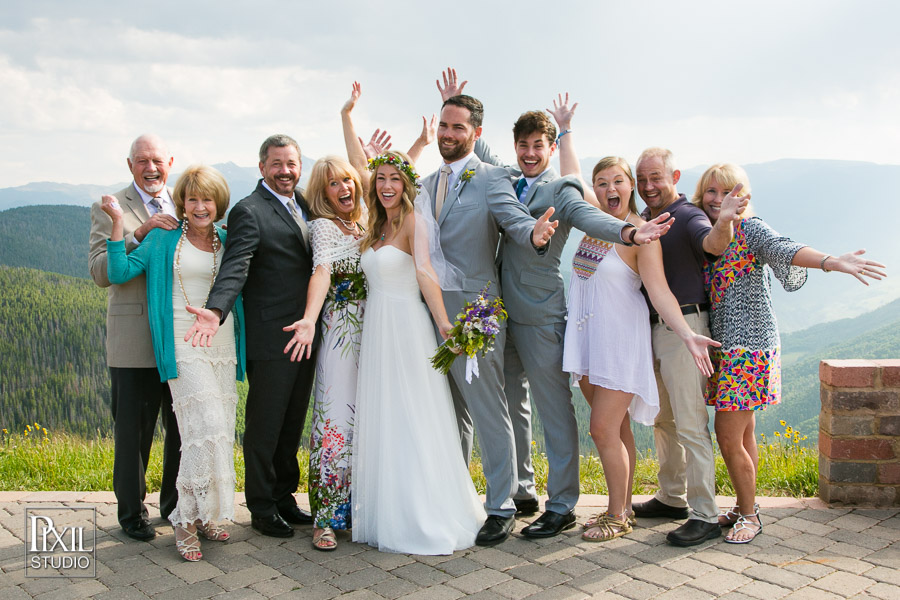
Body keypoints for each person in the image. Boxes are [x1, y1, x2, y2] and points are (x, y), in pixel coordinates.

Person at [434, 70, 675, 539]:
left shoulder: (560, 190)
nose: (528, 154)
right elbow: (476, 151)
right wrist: (453, 105)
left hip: (543, 313)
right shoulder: (505, 177)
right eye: (522, 145)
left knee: (553, 409)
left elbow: (590, 216)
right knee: (510, 403)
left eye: (537, 146)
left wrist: (629, 231)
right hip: (498, 313)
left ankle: (562, 502)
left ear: (549, 148)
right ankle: (515, 492)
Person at [692, 164, 886, 543]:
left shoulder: (751, 228)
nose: (718, 200)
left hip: (749, 348)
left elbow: (787, 249)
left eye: (728, 193)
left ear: (742, 197)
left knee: (728, 435)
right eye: (711, 192)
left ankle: (749, 515)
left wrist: (831, 262)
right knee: (744, 434)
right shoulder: (707, 236)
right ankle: (743, 505)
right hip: (725, 347)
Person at [419, 93, 559, 546]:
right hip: (428, 311)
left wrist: (533, 233)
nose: (448, 134)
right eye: (444, 125)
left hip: (476, 313)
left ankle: (501, 504)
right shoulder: (423, 184)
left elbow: (515, 220)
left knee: (488, 409)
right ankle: (457, 494)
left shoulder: (493, 178)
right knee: (449, 411)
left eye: (459, 128)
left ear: (476, 134)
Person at [560, 156, 719, 542]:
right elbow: (570, 175)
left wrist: (685, 332)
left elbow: (660, 290)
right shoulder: (595, 222)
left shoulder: (640, 234)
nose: (609, 188)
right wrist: (564, 131)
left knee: (601, 430)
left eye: (618, 181)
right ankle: (625, 507)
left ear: (630, 186)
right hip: (587, 343)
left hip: (619, 346)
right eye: (601, 182)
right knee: (617, 428)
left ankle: (615, 515)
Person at [101, 165, 245, 561]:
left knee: (220, 430)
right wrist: (120, 224)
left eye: (208, 199)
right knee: (204, 427)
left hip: (222, 341)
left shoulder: (227, 240)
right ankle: (183, 521)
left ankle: (208, 513)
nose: (201, 207)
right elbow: (118, 271)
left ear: (219, 204)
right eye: (193, 199)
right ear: (182, 202)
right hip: (183, 343)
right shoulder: (165, 240)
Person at [351, 151, 486, 554]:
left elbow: (425, 272)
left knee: (413, 414)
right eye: (381, 179)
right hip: (377, 329)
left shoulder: (412, 221)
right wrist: (347, 117)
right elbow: (357, 163)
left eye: (395, 178)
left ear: (407, 184)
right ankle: (388, 510)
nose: (387, 185)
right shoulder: (374, 227)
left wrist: (444, 323)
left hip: (407, 329)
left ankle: (424, 514)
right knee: (386, 416)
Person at [185, 135, 317, 539]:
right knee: (265, 425)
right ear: (262, 167)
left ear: (299, 166)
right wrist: (216, 308)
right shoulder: (249, 211)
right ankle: (260, 507)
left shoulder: (307, 205)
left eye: (291, 163)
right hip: (272, 336)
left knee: (293, 422)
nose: (285, 171)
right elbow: (237, 265)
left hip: (308, 333)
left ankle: (283, 497)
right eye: (276, 164)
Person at [626, 146, 749, 546]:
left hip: (686, 327)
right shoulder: (646, 219)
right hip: (655, 330)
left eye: (655, 178)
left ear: (674, 177)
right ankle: (672, 496)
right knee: (664, 419)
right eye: (641, 180)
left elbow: (712, 244)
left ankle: (705, 515)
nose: (647, 186)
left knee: (692, 425)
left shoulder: (688, 215)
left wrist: (725, 222)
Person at [87, 134, 181, 542]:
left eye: (157, 160)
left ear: (170, 162)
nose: (151, 167)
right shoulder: (108, 206)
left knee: (181, 430)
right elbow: (99, 272)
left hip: (179, 338)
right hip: (134, 341)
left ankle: (175, 506)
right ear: (130, 166)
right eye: (142, 160)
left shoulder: (187, 199)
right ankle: (131, 514)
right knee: (134, 433)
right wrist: (139, 231)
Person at [281, 156, 367, 551]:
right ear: (322, 192)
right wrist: (310, 320)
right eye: (333, 184)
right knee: (335, 420)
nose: (344, 188)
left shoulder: (367, 224)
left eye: (347, 180)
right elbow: (322, 273)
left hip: (376, 331)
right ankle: (326, 519)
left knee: (367, 421)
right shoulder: (323, 228)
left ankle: (363, 510)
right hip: (340, 332)